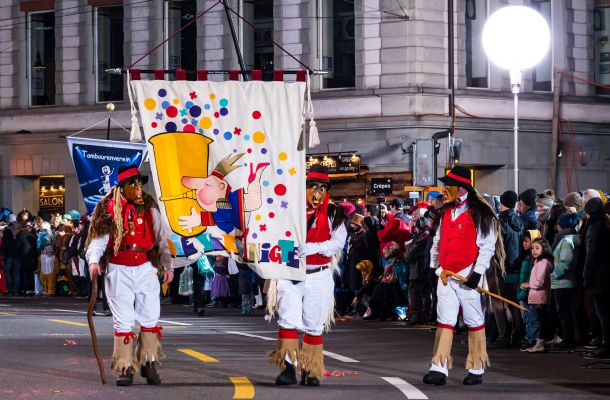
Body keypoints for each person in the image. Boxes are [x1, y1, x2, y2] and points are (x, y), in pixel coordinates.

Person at [86, 165, 174, 386]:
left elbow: (162, 239)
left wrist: (167, 265)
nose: (138, 188)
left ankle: (149, 363)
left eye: (139, 183)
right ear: (122, 187)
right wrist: (94, 261)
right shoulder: (108, 208)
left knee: (150, 317)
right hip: (118, 269)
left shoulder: (150, 207)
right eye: (133, 184)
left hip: (146, 267)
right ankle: (125, 367)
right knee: (123, 320)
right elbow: (98, 238)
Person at [423, 166, 503, 386]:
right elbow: (437, 242)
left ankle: (477, 367)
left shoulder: (482, 213)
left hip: (468, 274)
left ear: (459, 188)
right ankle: (438, 368)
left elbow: (487, 246)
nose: (444, 188)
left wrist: (477, 273)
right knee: (445, 321)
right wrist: (436, 267)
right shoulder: (445, 211)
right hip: (446, 275)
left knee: (474, 320)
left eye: (448, 185)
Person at [268, 164, 346, 387]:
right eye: (313, 187)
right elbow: (276, 235)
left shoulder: (334, 214)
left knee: (314, 323)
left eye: (322, 188)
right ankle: (288, 369)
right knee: (288, 320)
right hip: (291, 273)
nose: (317, 193)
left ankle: (311, 370)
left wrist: (315, 247)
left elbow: (338, 242)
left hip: (318, 274)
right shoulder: (290, 210)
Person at [489, 190, 523, 349]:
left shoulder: (500, 222)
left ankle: (504, 336)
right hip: (517, 266)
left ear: (501, 202)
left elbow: (495, 245)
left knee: (499, 303)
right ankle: (517, 335)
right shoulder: (520, 220)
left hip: (501, 267)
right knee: (514, 302)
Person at [582, 198, 610, 358]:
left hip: (600, 278)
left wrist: (587, 278)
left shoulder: (594, 228)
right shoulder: (605, 224)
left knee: (603, 314)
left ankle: (606, 345)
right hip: (605, 276)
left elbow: (591, 256)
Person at [550, 212, 579, 349]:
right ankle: (569, 338)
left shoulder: (566, 241)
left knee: (564, 312)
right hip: (567, 282)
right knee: (567, 312)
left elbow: (565, 262)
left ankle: (568, 339)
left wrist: (553, 275)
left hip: (562, 282)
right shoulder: (575, 238)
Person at [521, 238, 554, 353]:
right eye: (532, 248)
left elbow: (539, 282)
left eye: (537, 248)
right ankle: (540, 343)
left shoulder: (542, 263)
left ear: (544, 249)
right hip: (539, 296)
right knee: (542, 320)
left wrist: (529, 285)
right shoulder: (539, 262)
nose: (534, 251)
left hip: (539, 296)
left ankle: (540, 344)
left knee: (541, 321)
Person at [366, 241, 408, 321]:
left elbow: (400, 278)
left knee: (381, 287)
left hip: (398, 287)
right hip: (391, 285)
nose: (383, 253)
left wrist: (387, 279)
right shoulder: (389, 261)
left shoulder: (397, 261)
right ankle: (378, 312)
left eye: (385, 251)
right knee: (376, 285)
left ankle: (382, 312)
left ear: (390, 251)